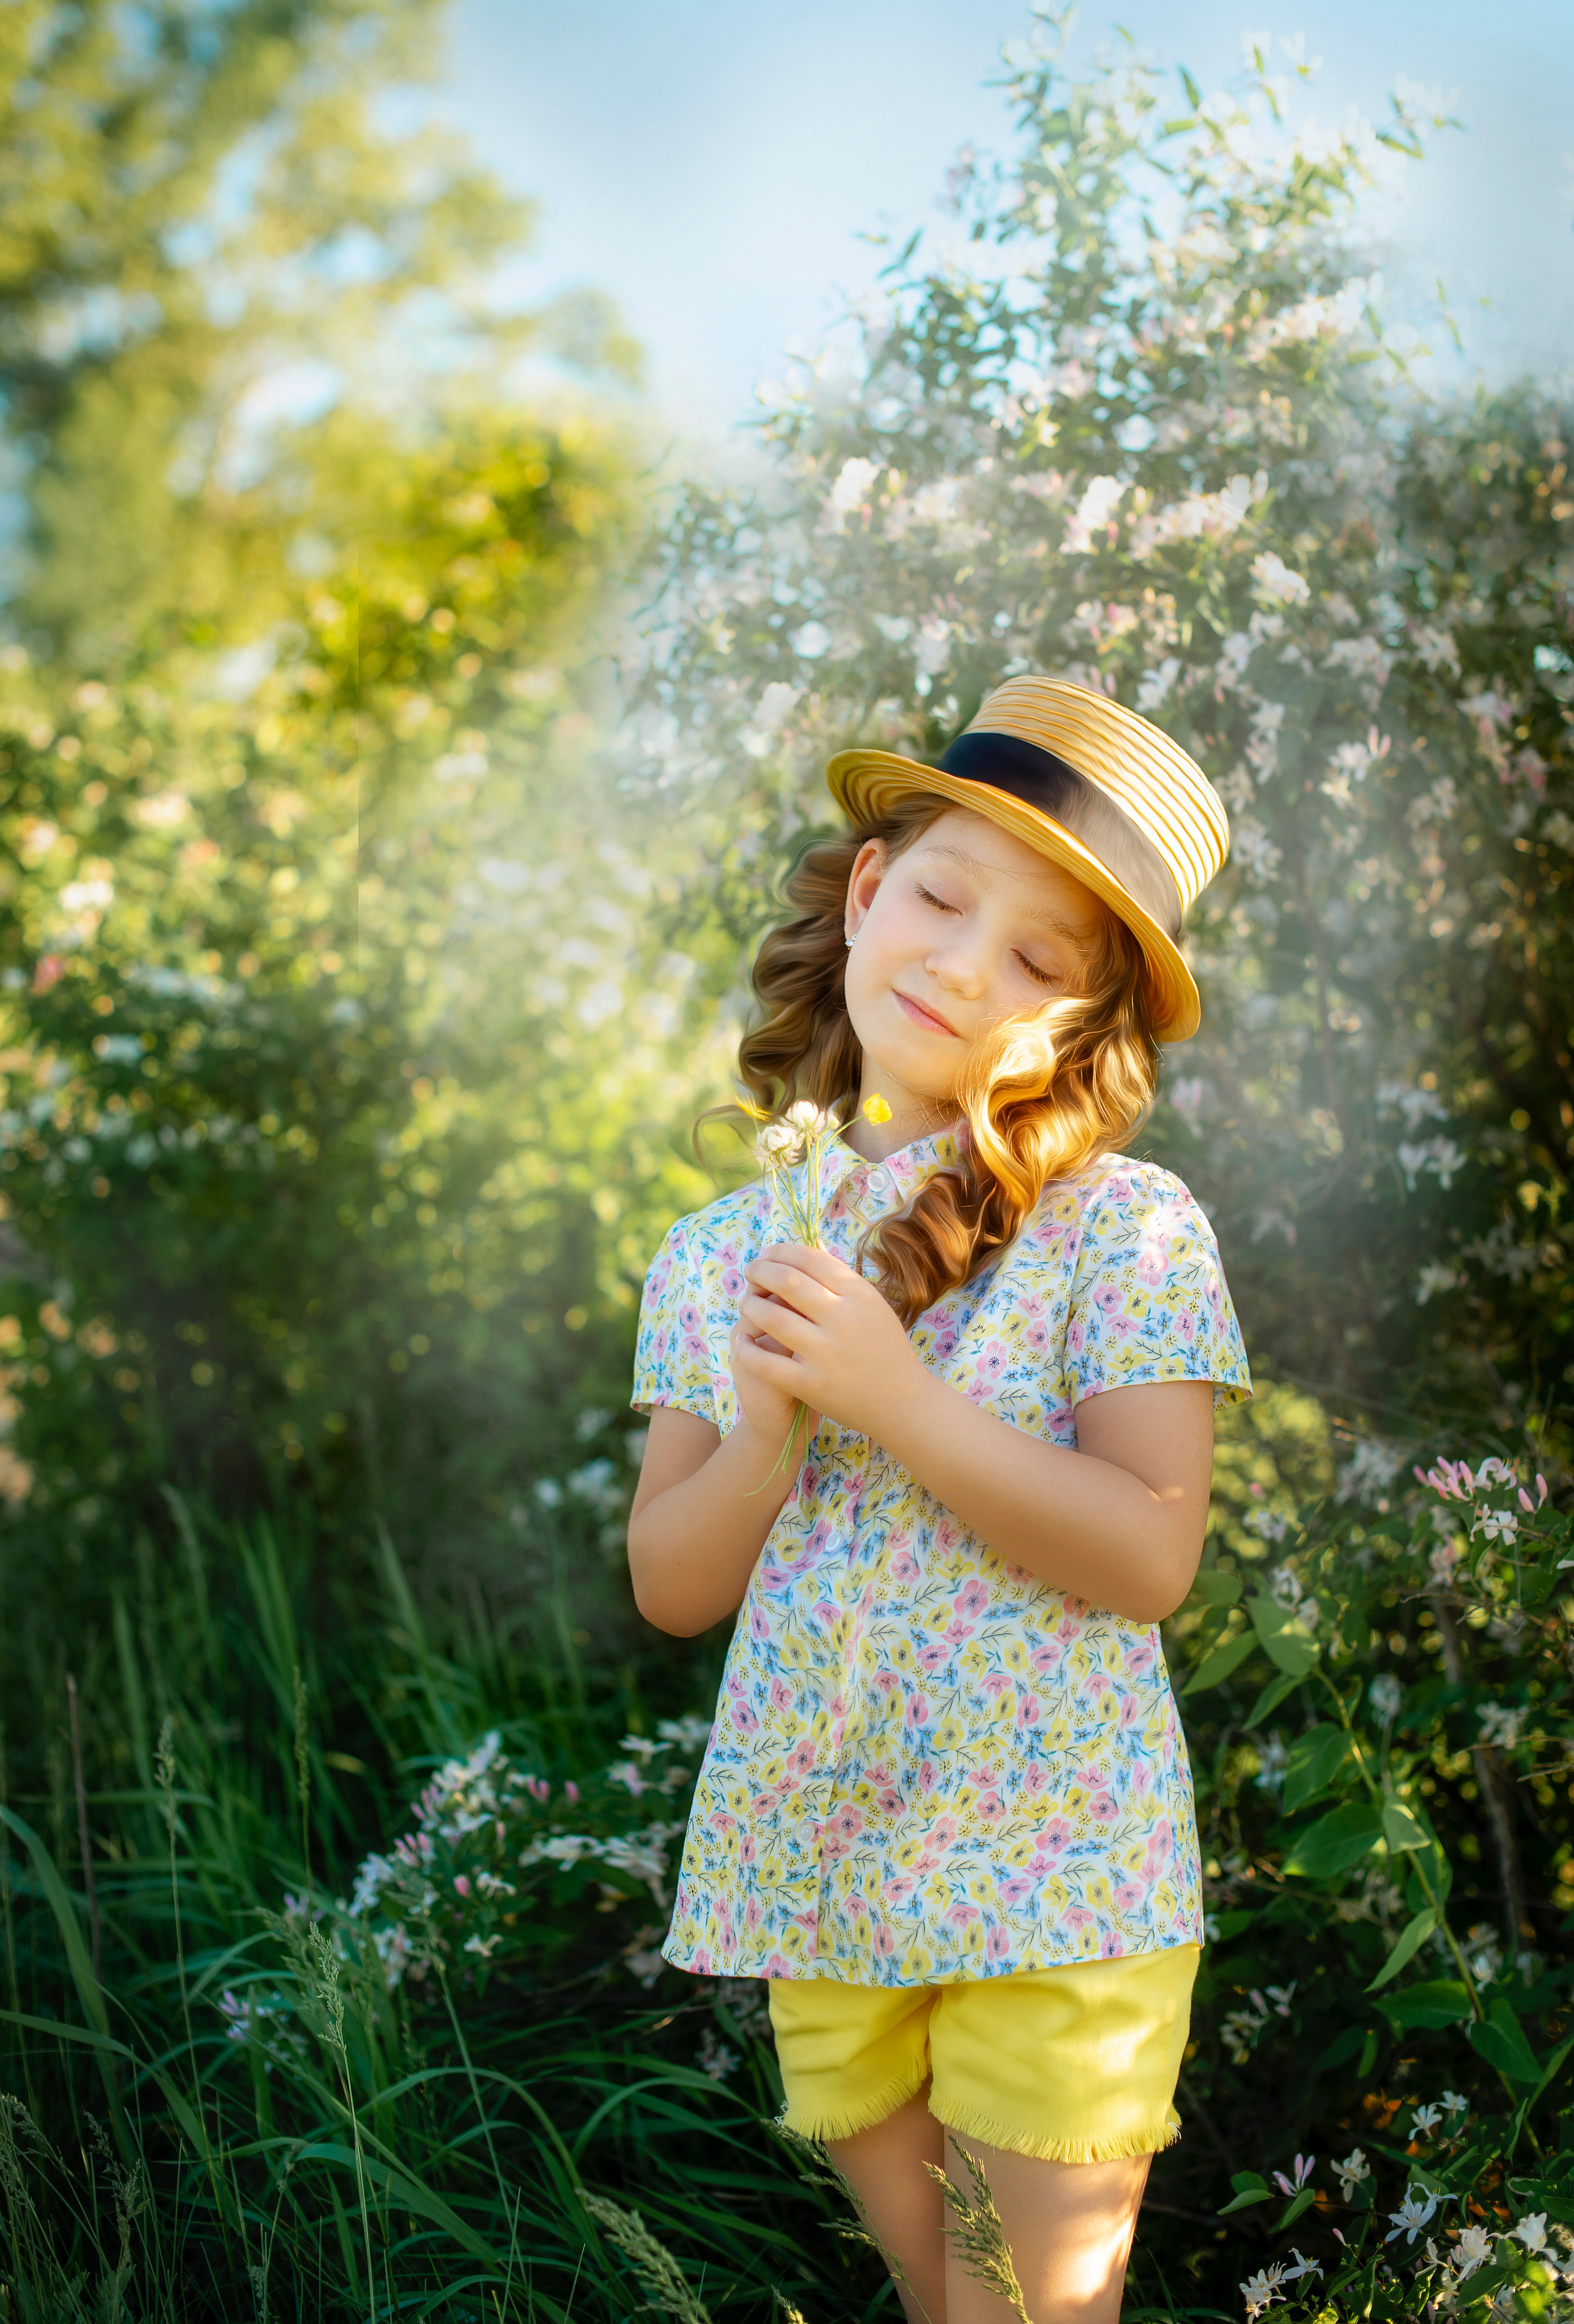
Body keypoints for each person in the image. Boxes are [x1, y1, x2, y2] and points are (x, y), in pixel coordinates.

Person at [628, 675, 1251, 2324]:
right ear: (864, 891)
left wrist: (896, 1403)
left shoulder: (1126, 1231)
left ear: (1088, 1020)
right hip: (822, 1871)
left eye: (1041, 959)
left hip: (1055, 1874)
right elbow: (672, 1586)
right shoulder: (722, 1250)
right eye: (942, 898)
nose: (966, 967)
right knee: (947, 2306)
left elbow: (1148, 1551)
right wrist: (768, 1433)